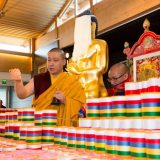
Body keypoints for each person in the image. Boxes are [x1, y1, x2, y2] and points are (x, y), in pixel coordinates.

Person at [9, 48, 86, 127]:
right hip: (40, 126)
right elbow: (22, 94)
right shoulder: (39, 79)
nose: (51, 64)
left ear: (63, 62)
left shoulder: (73, 82)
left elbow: (82, 107)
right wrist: (18, 82)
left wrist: (65, 100)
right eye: (49, 60)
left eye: (55, 60)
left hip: (61, 128)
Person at [67, 11, 108, 98]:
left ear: (93, 26)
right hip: (78, 88)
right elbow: (72, 70)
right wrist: (71, 69)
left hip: (93, 87)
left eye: (83, 25)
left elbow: (102, 68)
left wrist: (79, 71)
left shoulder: (100, 44)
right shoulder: (77, 48)